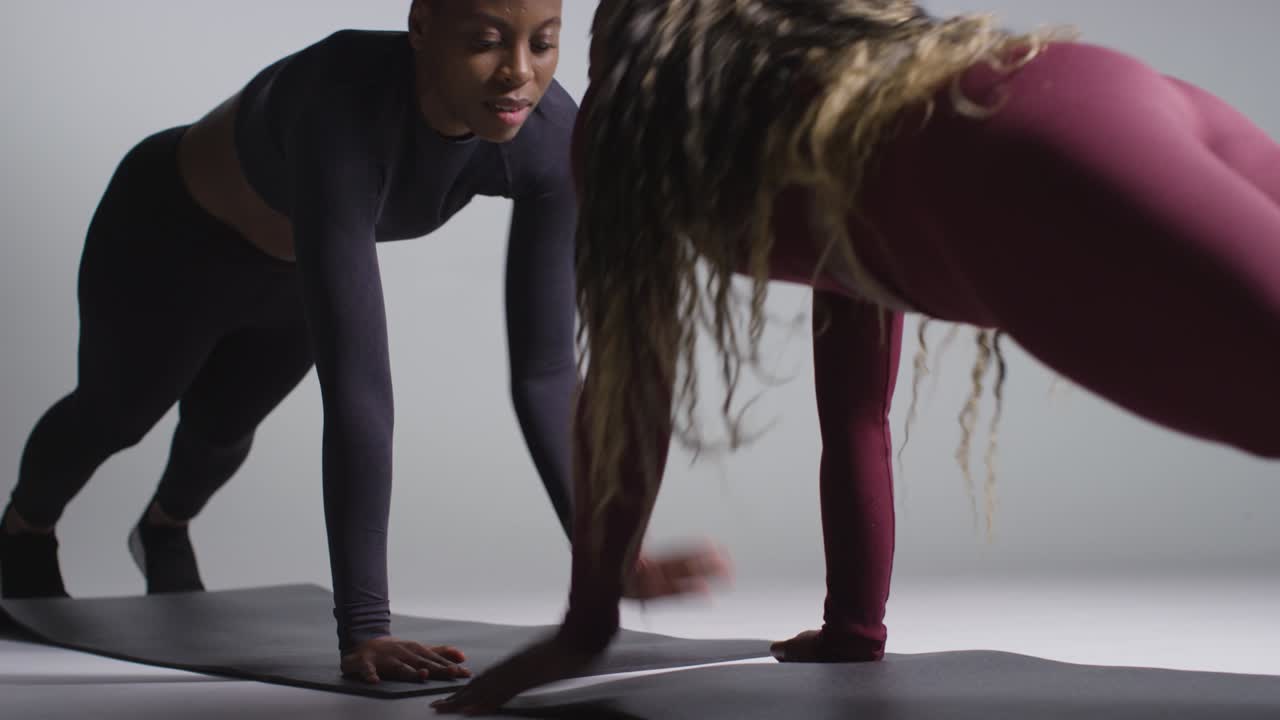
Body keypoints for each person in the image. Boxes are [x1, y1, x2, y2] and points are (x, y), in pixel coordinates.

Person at [432, 0, 1280, 713]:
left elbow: (630, 389)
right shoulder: (845, 123)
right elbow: (857, 412)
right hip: (1111, 88)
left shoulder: (629, 125)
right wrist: (855, 628)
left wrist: (586, 628)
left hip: (1044, 166)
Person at [0, 0, 722, 685]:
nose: (519, 74)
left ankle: (162, 530)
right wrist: (365, 628)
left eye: (543, 39)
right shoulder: (341, 105)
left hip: (288, 270)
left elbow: (545, 370)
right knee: (121, 411)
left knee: (223, 430)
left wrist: (610, 556)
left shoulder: (550, 136)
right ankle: (26, 531)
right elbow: (359, 389)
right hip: (171, 238)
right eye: (484, 41)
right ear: (421, 26)